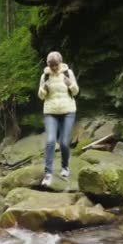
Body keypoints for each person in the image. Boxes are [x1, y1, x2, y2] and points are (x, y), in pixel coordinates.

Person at [37, 51, 79, 187]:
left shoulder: (68, 73)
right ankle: (48, 173)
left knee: (64, 143)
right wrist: (44, 88)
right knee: (50, 141)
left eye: (55, 65)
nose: (54, 67)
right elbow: (41, 96)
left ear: (60, 63)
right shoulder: (45, 75)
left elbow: (76, 91)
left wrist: (70, 84)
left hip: (68, 112)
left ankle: (65, 167)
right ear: (48, 64)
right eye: (51, 65)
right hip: (50, 112)